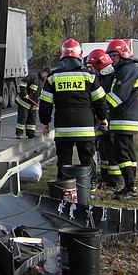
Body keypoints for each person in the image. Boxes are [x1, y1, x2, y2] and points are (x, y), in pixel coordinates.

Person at [39, 39, 109, 180]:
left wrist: (45, 122)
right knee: (87, 159)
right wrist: (102, 118)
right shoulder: (89, 76)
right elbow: (100, 101)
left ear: (62, 55)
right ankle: (90, 186)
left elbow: (45, 103)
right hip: (85, 127)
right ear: (80, 55)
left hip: (63, 128)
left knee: (64, 161)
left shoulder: (53, 77)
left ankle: (64, 187)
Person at [105, 39, 138, 200]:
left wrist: (99, 108)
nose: (112, 59)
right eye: (110, 56)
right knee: (128, 153)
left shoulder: (127, 71)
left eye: (114, 55)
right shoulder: (127, 69)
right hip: (128, 118)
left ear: (123, 54)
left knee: (121, 153)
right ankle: (131, 185)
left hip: (124, 118)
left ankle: (131, 186)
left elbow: (117, 96)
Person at [86, 49, 121, 190]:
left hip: (110, 119)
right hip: (103, 119)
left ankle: (116, 180)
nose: (90, 70)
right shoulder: (101, 77)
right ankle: (105, 176)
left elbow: (107, 99)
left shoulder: (110, 78)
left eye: (92, 66)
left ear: (99, 64)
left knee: (111, 151)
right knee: (104, 150)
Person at [15, 67, 50, 139]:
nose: (46, 78)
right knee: (22, 118)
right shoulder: (33, 76)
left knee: (32, 119)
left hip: (33, 104)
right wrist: (25, 94)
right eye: (46, 75)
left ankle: (31, 134)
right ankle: (19, 134)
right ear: (43, 73)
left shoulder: (44, 82)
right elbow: (22, 83)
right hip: (24, 102)